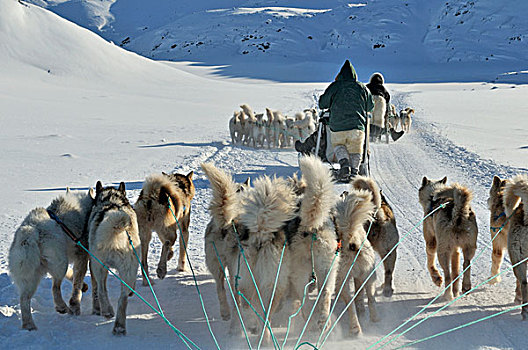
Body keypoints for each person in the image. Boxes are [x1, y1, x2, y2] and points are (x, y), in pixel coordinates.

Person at [318, 60, 374, 181]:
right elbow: (370, 106)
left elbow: (322, 103)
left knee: (339, 145)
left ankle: (344, 165)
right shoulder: (362, 88)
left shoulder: (335, 86)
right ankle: (354, 172)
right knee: (356, 149)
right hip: (357, 126)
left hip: (337, 126)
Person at [366, 72, 404, 142]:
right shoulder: (383, 90)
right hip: (379, 125)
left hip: (367, 124)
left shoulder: (366, 88)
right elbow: (388, 106)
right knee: (384, 118)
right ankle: (393, 133)